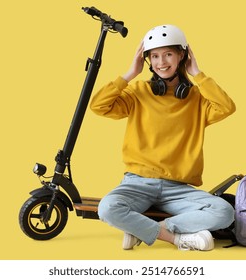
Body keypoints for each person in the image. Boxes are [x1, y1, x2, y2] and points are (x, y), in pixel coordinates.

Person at [90, 25, 236, 251]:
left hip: (178, 188)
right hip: (137, 182)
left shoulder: (197, 98)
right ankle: (176, 239)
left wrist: (197, 74)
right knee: (108, 208)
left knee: (224, 212)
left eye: (168, 54)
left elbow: (226, 107)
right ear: (147, 60)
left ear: (182, 56)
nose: (161, 62)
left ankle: (143, 229)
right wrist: (130, 73)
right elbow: (99, 105)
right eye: (154, 56)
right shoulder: (138, 91)